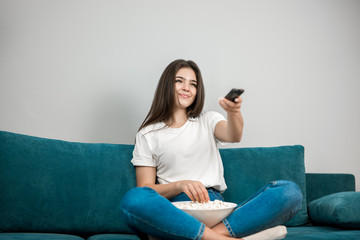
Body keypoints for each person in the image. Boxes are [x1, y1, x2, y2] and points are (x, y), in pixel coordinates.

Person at [121, 59, 303, 240]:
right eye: (179, 81)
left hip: (215, 208)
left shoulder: (207, 120)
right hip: (175, 211)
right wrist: (180, 184)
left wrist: (233, 112)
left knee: (289, 192)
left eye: (193, 84)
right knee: (135, 199)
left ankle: (198, 236)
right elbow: (145, 188)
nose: (186, 88)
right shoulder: (147, 134)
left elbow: (233, 135)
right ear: (166, 85)